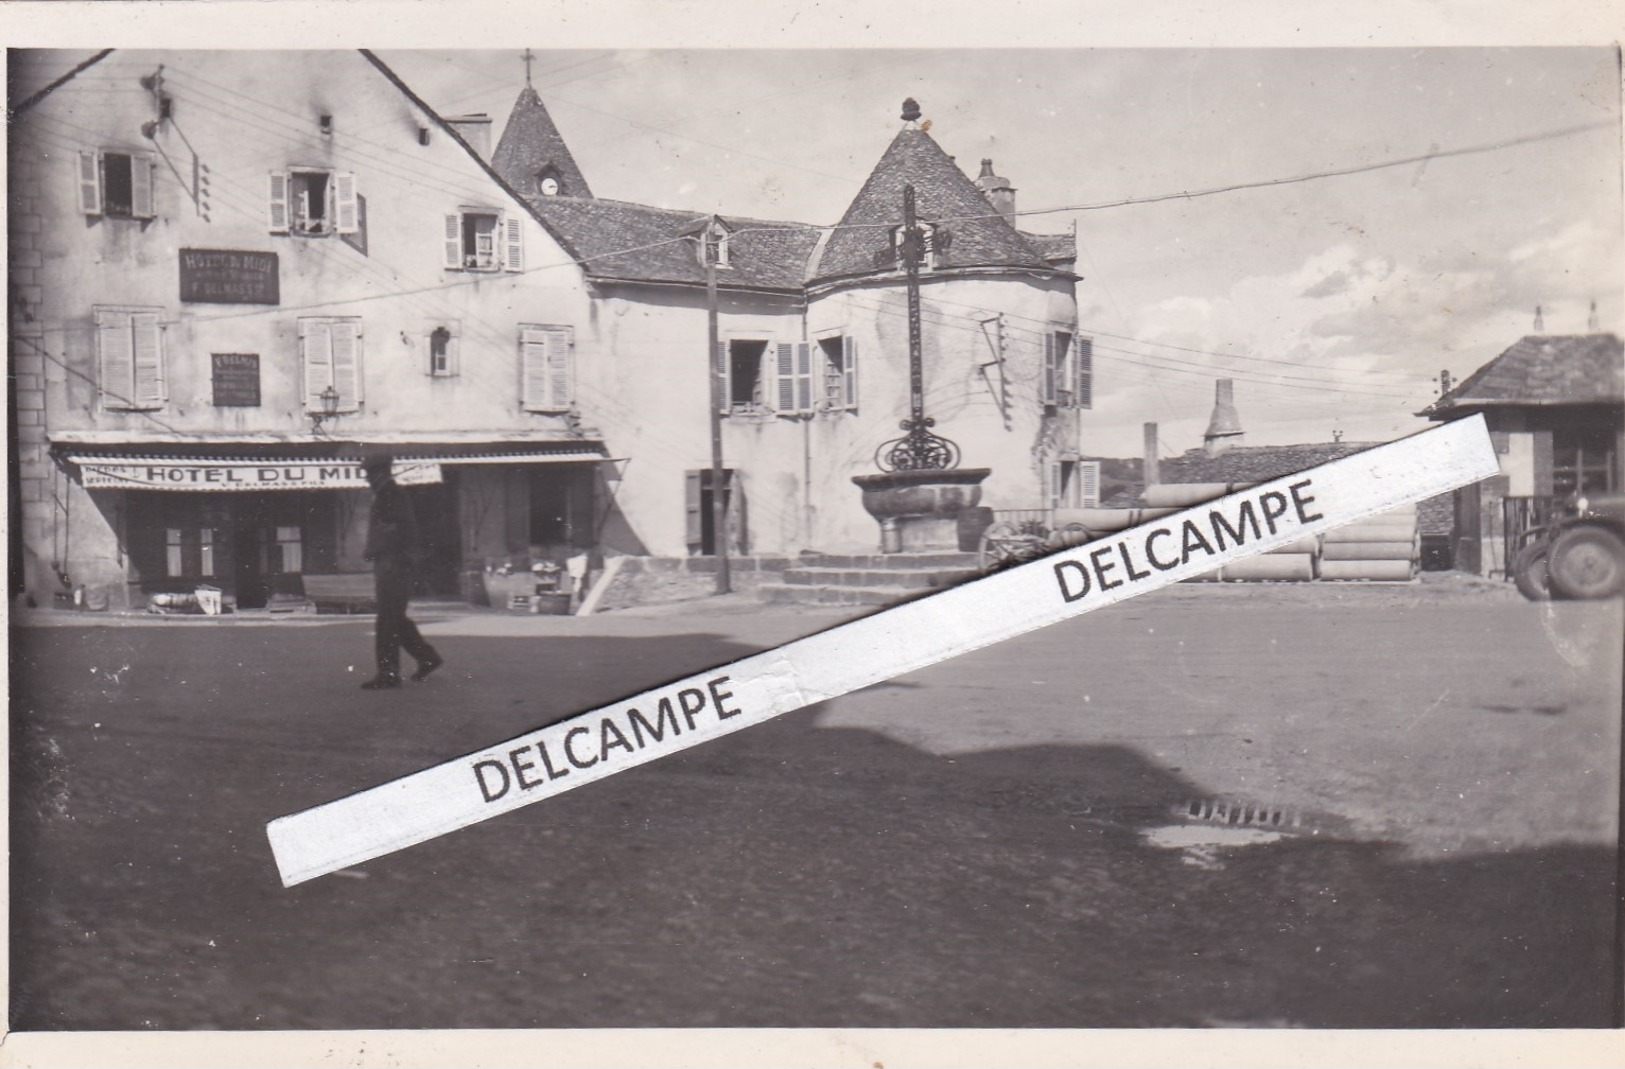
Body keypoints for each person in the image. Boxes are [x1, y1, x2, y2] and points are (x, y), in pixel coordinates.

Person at [359, 453, 442, 689]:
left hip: (393, 563)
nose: (368, 479)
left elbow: (393, 530)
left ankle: (388, 674)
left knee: (387, 620)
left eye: (369, 474)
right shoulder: (388, 494)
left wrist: (374, 550)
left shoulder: (391, 495)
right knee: (395, 617)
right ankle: (428, 657)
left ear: (381, 472)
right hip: (391, 562)